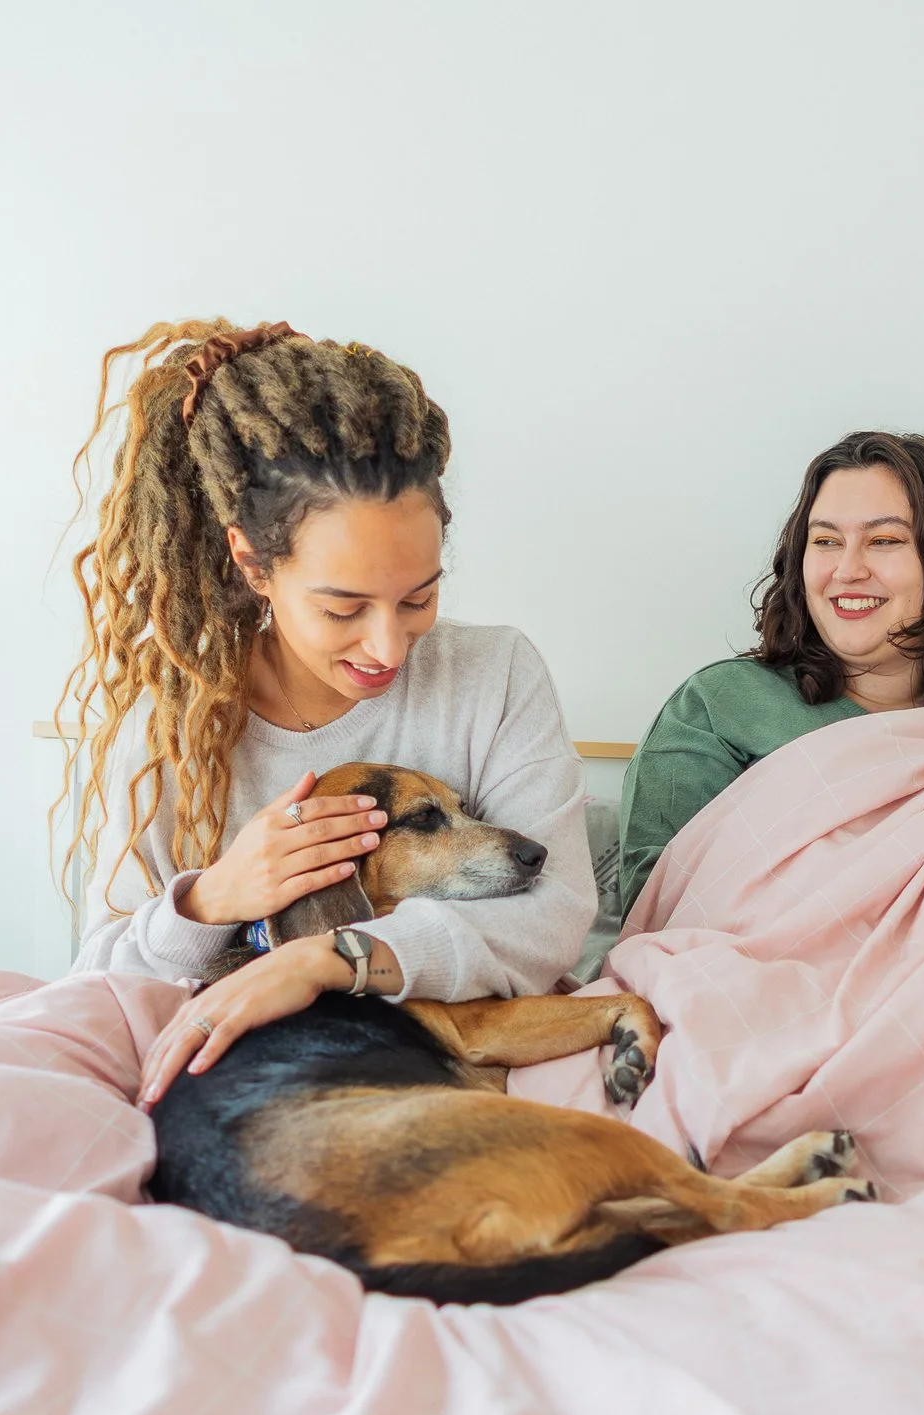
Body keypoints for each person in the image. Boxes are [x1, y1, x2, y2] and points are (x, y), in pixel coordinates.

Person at [56, 319, 595, 1103]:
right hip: (260, 1092)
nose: (388, 646)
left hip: (477, 1063)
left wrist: (329, 958)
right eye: (344, 608)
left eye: (419, 597)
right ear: (253, 565)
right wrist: (211, 902)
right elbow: (97, 980)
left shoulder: (495, 674)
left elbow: (554, 917)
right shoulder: (169, 727)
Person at [616, 431, 924, 907]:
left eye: (884, 540)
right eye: (825, 540)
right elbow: (654, 899)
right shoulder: (720, 706)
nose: (847, 569)